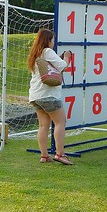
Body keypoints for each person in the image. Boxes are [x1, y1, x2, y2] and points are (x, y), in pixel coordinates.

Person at [27, 29, 73, 165]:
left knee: (43, 125)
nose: (53, 43)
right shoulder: (47, 51)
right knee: (60, 122)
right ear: (48, 40)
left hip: (35, 95)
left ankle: (44, 155)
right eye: (52, 40)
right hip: (49, 95)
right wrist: (67, 57)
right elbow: (63, 66)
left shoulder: (35, 54)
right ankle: (60, 154)